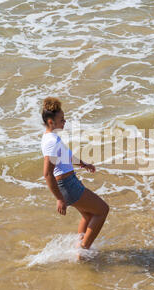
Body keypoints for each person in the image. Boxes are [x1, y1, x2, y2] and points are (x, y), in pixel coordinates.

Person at [41, 97, 110, 251]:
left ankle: (79, 248)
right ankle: (84, 249)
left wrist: (83, 164)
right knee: (102, 210)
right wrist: (59, 198)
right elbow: (47, 173)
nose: (64, 122)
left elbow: (66, 156)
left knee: (88, 216)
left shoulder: (50, 137)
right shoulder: (51, 141)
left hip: (69, 182)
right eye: (61, 119)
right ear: (51, 122)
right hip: (67, 185)